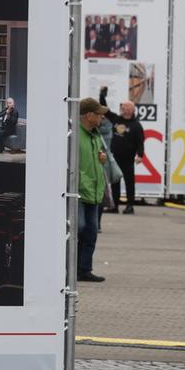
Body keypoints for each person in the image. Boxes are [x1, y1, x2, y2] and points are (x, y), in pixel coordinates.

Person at [77, 98, 108, 283]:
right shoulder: (75, 135)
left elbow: (95, 160)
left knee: (91, 232)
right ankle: (71, 268)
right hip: (80, 191)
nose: (101, 118)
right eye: (99, 114)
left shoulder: (95, 135)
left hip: (94, 192)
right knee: (79, 229)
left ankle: (84, 269)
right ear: (89, 115)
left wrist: (101, 159)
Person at [100, 89, 144, 214]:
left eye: (125, 107)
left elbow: (140, 142)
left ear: (131, 110)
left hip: (128, 158)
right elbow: (106, 111)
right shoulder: (116, 119)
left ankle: (130, 205)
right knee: (115, 181)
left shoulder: (136, 125)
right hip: (115, 157)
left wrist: (140, 155)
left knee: (130, 182)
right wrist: (102, 96)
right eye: (122, 107)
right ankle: (114, 205)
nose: (123, 109)